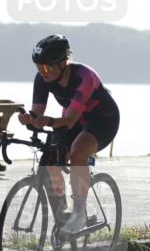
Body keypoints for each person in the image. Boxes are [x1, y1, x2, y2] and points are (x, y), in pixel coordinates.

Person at [17, 34, 120, 233]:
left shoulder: (84, 77)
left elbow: (69, 121)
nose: (42, 72)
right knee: (51, 158)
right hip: (76, 120)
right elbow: (37, 114)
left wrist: (46, 121)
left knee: (77, 151)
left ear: (63, 63)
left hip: (103, 120)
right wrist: (29, 119)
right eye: (38, 67)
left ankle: (79, 213)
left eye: (46, 67)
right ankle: (64, 213)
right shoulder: (42, 79)